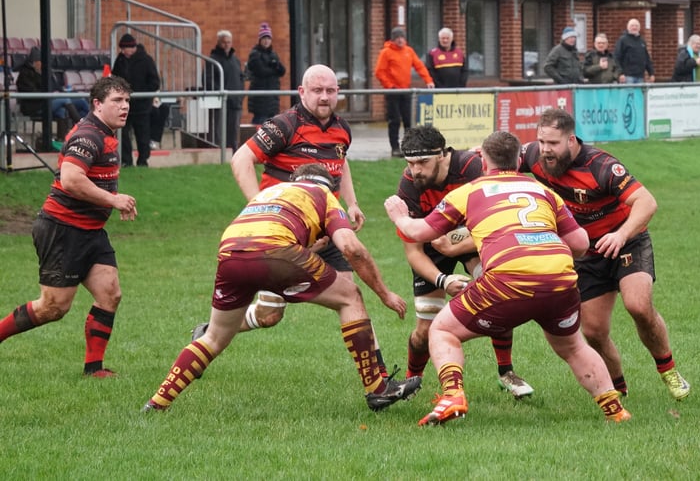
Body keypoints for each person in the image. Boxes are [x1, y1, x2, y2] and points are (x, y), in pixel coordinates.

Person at [384, 131, 631, 426]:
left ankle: (453, 395)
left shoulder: (469, 191)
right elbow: (579, 242)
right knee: (574, 347)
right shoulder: (543, 191)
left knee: (442, 330)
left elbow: (420, 233)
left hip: (508, 277)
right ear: (518, 160)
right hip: (560, 278)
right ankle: (615, 411)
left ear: (483, 161)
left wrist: (399, 216)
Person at [143, 163, 422, 412]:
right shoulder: (324, 196)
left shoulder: (272, 192)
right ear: (329, 187)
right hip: (275, 251)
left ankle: (157, 402)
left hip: (230, 251)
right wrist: (384, 293)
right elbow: (352, 249)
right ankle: (378, 389)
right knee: (350, 296)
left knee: (215, 336)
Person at [195, 64, 391, 378]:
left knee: (351, 294)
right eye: (317, 90)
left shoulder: (342, 128)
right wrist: (260, 207)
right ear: (302, 92)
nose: (324, 97)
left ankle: (378, 377)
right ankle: (210, 332)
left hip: (327, 227)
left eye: (330, 91)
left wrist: (351, 203)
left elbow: (340, 164)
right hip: (284, 235)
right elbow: (241, 159)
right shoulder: (285, 124)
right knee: (270, 315)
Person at [520, 108, 690, 401]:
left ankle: (668, 370)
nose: (546, 150)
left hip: (626, 241)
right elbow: (492, 158)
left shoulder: (602, 166)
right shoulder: (533, 155)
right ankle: (618, 389)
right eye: (542, 142)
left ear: (571, 140)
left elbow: (646, 202)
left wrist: (621, 234)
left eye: (553, 144)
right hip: (588, 252)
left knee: (638, 306)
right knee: (594, 331)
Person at [0, 76, 137, 377]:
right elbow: (71, 179)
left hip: (89, 231)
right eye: (117, 101)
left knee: (110, 293)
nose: (124, 106)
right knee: (53, 307)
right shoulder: (88, 135)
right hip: (62, 230)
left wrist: (110, 202)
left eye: (127, 100)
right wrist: (113, 200)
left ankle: (93, 369)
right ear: (97, 104)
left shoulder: (106, 132)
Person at [394, 125, 533, 398]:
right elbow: (413, 251)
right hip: (432, 245)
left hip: (472, 237)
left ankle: (506, 373)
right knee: (423, 331)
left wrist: (456, 242)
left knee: (498, 300)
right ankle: (411, 382)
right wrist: (442, 280)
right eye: (410, 163)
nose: (415, 170)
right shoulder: (409, 184)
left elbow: (496, 225)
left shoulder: (472, 168)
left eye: (423, 162)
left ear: (444, 155)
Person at [375, 27, 435, 158]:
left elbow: (419, 66)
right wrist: (390, 86)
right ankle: (395, 148)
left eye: (402, 37)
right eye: (397, 38)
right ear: (393, 39)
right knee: (394, 120)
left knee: (408, 120)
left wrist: (428, 80)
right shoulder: (386, 52)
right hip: (393, 92)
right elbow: (379, 72)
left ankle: (408, 146)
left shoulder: (409, 51)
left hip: (406, 90)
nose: (400, 40)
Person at [111, 34, 161, 167]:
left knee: (142, 135)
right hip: (124, 105)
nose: (122, 51)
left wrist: (142, 94)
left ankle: (143, 160)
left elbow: (154, 82)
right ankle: (127, 160)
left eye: (124, 48)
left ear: (131, 48)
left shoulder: (146, 60)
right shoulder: (120, 60)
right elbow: (115, 78)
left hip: (142, 105)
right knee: (124, 135)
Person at [15, 46, 89, 133]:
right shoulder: (24, 75)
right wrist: (51, 94)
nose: (43, 65)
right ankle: (84, 128)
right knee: (65, 100)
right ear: (34, 62)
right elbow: (31, 94)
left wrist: (62, 91)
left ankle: (63, 140)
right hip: (35, 106)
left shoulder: (47, 72)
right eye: (41, 62)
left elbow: (56, 87)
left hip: (50, 101)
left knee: (80, 102)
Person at [206, 29, 244, 152]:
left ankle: (233, 155)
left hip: (235, 102)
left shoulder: (235, 60)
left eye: (229, 42)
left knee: (233, 133)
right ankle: (219, 155)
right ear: (218, 43)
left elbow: (241, 79)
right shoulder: (213, 60)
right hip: (220, 103)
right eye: (224, 42)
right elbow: (208, 80)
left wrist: (240, 96)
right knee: (218, 132)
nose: (227, 45)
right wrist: (220, 93)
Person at [246, 22, 286, 126]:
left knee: (271, 126)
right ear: (260, 40)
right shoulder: (255, 54)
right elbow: (261, 71)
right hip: (260, 97)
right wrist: (274, 69)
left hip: (272, 98)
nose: (266, 41)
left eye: (268, 38)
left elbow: (282, 71)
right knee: (259, 123)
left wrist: (275, 65)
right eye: (264, 38)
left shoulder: (273, 54)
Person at [614, 19, 655, 84]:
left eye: (636, 26)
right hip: (627, 76)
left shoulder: (642, 41)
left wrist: (651, 73)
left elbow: (646, 58)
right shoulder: (623, 40)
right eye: (632, 25)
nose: (634, 27)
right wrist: (620, 73)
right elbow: (616, 57)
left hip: (640, 76)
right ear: (628, 27)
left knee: (638, 94)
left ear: (639, 28)